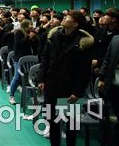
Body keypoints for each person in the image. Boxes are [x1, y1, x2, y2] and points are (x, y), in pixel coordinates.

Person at [37, 11, 94, 146]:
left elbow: (84, 71)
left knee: (71, 124)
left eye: (68, 17)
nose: (64, 18)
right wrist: (41, 79)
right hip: (52, 84)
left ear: (75, 23)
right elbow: (45, 59)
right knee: (53, 121)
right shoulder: (53, 36)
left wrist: (77, 92)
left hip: (70, 88)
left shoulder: (83, 42)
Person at [98, 33, 119, 145]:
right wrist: (102, 78)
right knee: (110, 119)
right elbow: (107, 60)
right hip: (113, 86)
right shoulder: (116, 39)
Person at [8, 19, 39, 104]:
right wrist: (29, 37)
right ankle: (11, 95)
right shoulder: (19, 32)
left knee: (31, 78)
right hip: (19, 58)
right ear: (25, 25)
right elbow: (18, 45)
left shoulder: (32, 33)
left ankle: (32, 96)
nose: (31, 26)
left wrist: (33, 37)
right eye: (30, 24)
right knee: (17, 77)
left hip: (29, 58)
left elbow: (36, 45)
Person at [92, 8, 119, 74]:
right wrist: (95, 65)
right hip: (94, 65)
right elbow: (94, 47)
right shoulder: (100, 31)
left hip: (110, 69)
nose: (103, 17)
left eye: (106, 15)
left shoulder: (118, 35)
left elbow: (114, 56)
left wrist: (98, 62)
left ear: (113, 19)